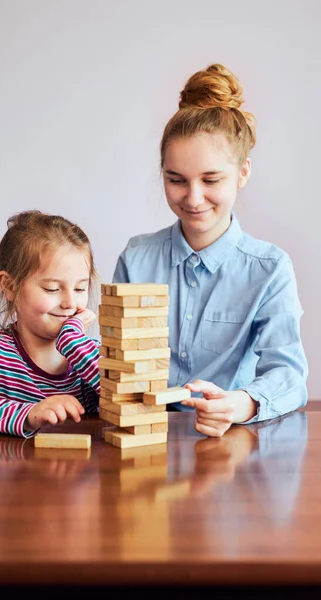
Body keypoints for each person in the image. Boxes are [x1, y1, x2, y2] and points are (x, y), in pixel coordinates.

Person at [112, 63, 308, 438]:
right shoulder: (136, 260)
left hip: (230, 447)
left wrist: (240, 403)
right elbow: (112, 364)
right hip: (145, 443)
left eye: (211, 179)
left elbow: (288, 375)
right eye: (176, 180)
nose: (194, 198)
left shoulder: (270, 269)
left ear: (243, 173)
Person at [0, 210, 100, 438]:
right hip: (16, 469)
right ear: (10, 286)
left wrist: (73, 342)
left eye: (80, 288)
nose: (70, 303)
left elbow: (128, 397)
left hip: (77, 470)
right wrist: (28, 414)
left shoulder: (87, 354)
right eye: (52, 288)